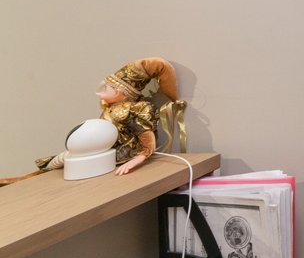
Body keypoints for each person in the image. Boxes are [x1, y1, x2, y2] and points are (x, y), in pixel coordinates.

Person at [0, 57, 187, 185]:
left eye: (107, 88)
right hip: (98, 149)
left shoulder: (134, 110)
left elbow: (147, 140)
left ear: (121, 92)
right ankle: (26, 179)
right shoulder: (111, 109)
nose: (101, 93)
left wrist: (135, 161)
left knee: (65, 159)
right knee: (61, 160)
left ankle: (26, 179)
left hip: (119, 154)